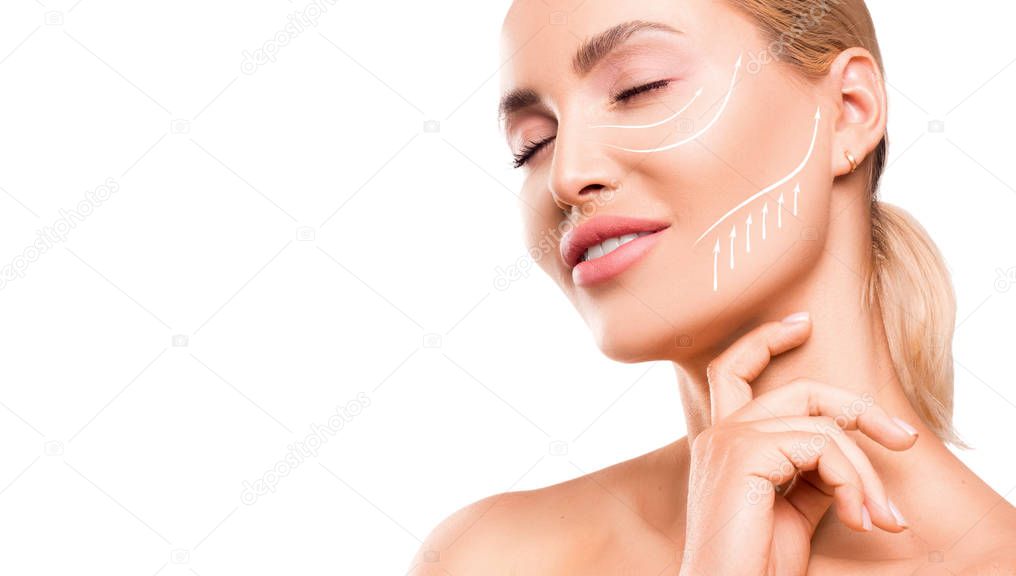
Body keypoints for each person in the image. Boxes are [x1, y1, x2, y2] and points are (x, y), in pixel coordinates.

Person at [409, 0, 1016, 573]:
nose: (567, 176)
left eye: (639, 89)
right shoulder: (491, 558)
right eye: (532, 145)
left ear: (849, 109)